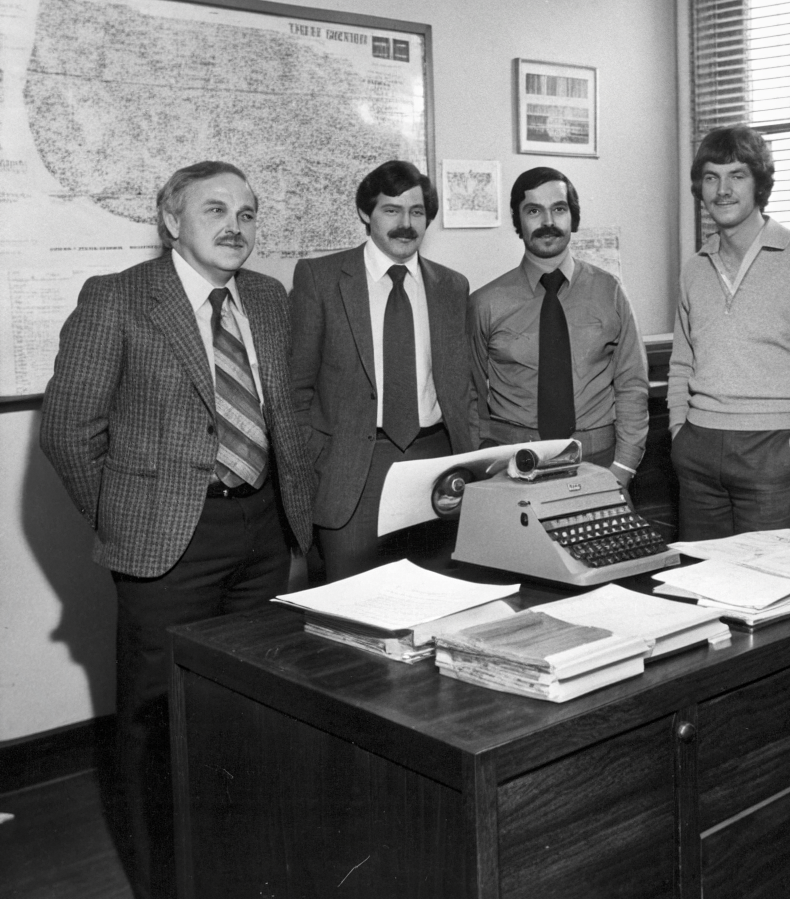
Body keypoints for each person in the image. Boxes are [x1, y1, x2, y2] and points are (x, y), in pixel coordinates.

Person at [40, 161, 313, 899]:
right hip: (168, 549)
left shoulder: (266, 297)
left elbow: (284, 413)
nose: (236, 226)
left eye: (249, 213)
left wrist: (294, 514)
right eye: (215, 209)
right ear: (170, 220)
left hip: (262, 532)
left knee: (249, 708)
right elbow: (69, 431)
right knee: (156, 726)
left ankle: (240, 865)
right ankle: (163, 882)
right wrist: (131, 522)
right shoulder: (120, 300)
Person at [290, 160, 477, 582]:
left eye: (416, 212)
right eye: (391, 210)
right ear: (364, 213)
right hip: (353, 471)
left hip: (437, 463)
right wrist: (319, 462)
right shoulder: (320, 280)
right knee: (355, 612)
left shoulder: (452, 287)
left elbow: (463, 388)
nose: (405, 224)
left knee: (438, 603)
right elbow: (296, 390)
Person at [668, 126, 790, 540]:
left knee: (770, 591)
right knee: (699, 585)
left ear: (760, 184)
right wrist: (679, 435)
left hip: (773, 450)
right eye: (711, 177)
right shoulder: (694, 267)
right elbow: (681, 362)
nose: (722, 190)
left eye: (737, 176)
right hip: (698, 450)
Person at [468, 167, 649, 488]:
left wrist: (623, 466)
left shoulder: (609, 291)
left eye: (559, 209)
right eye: (534, 210)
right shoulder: (486, 302)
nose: (547, 221)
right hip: (514, 465)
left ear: (573, 218)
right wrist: (485, 466)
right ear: (518, 222)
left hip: (599, 459)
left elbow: (631, 383)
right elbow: (472, 395)